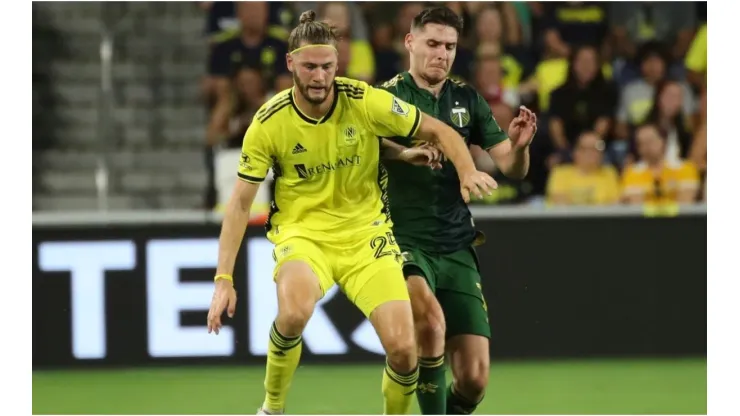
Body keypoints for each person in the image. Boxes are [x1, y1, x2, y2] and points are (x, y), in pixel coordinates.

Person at [206, 10, 498, 416]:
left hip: (367, 238)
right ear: (291, 64)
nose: (319, 77)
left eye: (327, 66)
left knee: (403, 348)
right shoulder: (269, 123)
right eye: (309, 67)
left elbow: (441, 130)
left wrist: (465, 171)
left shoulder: (363, 101)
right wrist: (223, 279)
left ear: (337, 64)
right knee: (293, 313)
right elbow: (240, 203)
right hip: (304, 236)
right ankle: (272, 408)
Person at [378, 7, 537, 415]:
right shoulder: (386, 97)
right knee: (429, 324)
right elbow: (368, 146)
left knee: (474, 379)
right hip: (402, 239)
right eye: (432, 44)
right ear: (410, 43)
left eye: (449, 46)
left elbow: (511, 167)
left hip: (456, 244)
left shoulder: (467, 99)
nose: (442, 54)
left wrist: (519, 147)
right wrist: (405, 153)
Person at [546, 131, 620, 206]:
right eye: (586, 149)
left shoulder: (609, 173)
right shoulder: (561, 173)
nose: (592, 153)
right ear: (576, 152)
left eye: (597, 148)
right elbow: (559, 201)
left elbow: (615, 202)